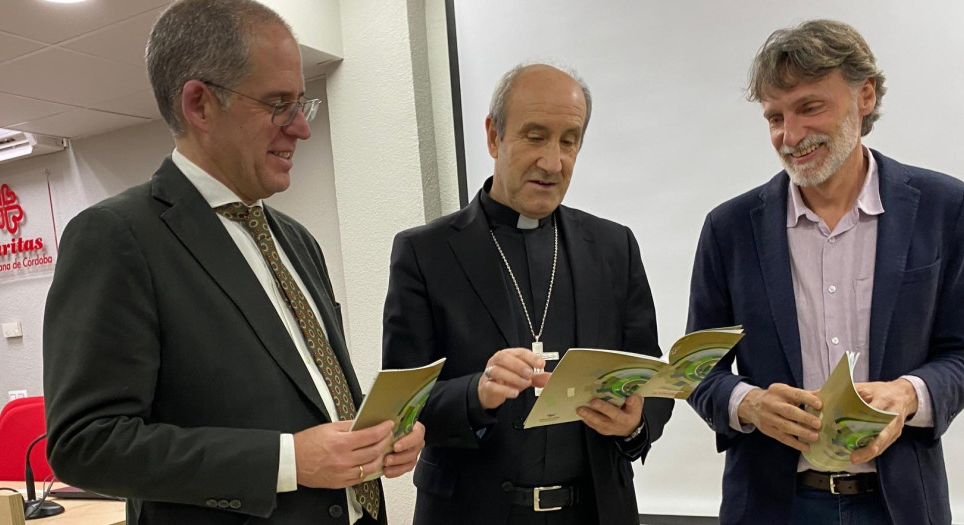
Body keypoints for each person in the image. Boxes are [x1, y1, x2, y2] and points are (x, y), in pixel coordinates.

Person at [42, 1, 423, 523]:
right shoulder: (118, 236)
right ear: (200, 105)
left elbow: (310, 390)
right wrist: (287, 461)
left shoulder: (295, 240)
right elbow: (86, 443)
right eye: (277, 104)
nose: (301, 128)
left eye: (300, 103)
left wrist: (376, 436)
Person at [686, 19, 964, 525]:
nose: (790, 135)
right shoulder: (729, 228)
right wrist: (750, 403)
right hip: (769, 506)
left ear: (864, 96)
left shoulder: (945, 206)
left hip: (900, 504)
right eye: (774, 117)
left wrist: (907, 395)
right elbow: (697, 373)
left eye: (810, 108)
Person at [381, 63, 673, 525]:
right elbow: (400, 407)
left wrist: (636, 421)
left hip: (595, 511)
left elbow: (650, 374)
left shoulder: (614, 247)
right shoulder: (425, 252)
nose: (553, 161)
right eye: (535, 136)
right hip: (470, 513)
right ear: (494, 136)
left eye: (569, 140)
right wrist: (476, 392)